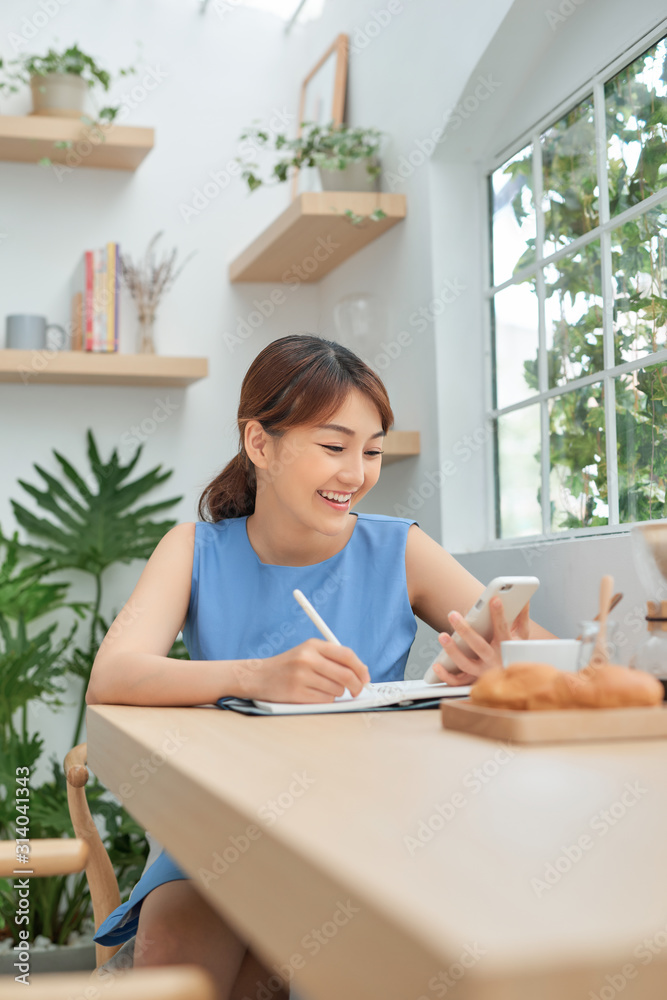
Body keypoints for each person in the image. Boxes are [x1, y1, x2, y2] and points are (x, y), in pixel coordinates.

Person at [86, 334, 552, 999]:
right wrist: (254, 676)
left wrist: (498, 674)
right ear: (260, 444)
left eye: (371, 452)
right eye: (334, 448)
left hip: (370, 834)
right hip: (218, 832)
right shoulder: (193, 549)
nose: (356, 473)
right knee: (172, 955)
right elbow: (115, 674)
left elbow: (551, 662)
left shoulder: (399, 548)